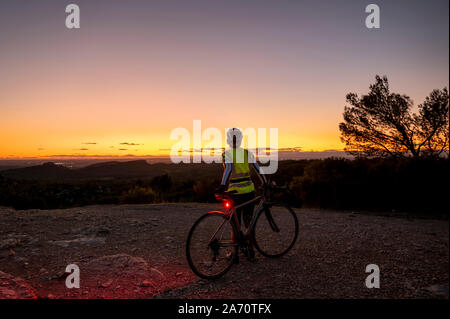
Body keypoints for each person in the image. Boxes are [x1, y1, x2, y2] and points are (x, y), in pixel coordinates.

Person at [216, 128, 267, 262]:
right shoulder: (246, 153)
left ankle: (235, 254)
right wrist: (265, 182)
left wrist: (222, 185)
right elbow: (257, 168)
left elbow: (228, 169)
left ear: (228, 140)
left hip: (235, 193)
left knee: (235, 223)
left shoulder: (226, 154)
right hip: (249, 191)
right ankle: (251, 251)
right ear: (240, 139)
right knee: (249, 222)